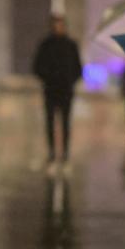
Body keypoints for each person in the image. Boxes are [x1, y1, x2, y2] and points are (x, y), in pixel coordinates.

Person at [32, 14, 82, 172]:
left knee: (65, 124)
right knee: (50, 124)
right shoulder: (45, 45)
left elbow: (78, 68)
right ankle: (52, 155)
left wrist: (70, 80)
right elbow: (36, 67)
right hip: (51, 90)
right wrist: (48, 78)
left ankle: (65, 156)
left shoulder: (71, 45)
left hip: (66, 90)